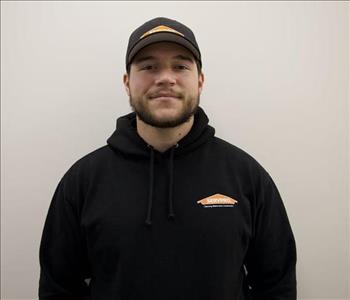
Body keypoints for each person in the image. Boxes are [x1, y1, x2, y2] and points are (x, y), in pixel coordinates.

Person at [38, 17, 297, 300]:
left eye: (180, 66)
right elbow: (58, 288)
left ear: (200, 81)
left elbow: (277, 285)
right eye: (148, 66)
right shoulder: (83, 181)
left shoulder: (246, 176)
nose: (165, 77)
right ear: (127, 82)